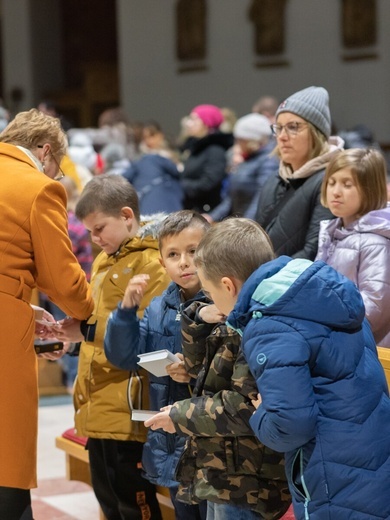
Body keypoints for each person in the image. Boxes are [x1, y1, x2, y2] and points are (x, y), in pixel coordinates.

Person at [188, 217, 390, 519]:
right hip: (372, 450)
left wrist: (261, 416)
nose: (212, 301)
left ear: (228, 286)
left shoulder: (268, 327)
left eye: (210, 291)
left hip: (330, 472)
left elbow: (290, 427)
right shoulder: (323, 292)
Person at [56, 174, 171, 520]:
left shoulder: (154, 262)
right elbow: (97, 319)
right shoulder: (107, 259)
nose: (94, 238)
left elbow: (147, 334)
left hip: (130, 401)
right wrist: (72, 341)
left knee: (134, 502)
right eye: (89, 230)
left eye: (99, 228)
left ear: (126, 215)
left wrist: (87, 330)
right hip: (97, 400)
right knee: (107, 497)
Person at [0, 108, 94, 520]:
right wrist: (92, 315)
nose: (57, 176)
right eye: (56, 165)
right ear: (44, 149)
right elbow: (63, 279)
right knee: (6, 454)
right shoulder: (39, 187)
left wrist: (21, 297)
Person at [104, 210, 210, 520]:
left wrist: (195, 370)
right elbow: (126, 357)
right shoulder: (157, 308)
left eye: (193, 251)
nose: (184, 262)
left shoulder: (223, 301)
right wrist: (125, 312)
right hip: (171, 439)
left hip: (211, 439)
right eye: (174, 254)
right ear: (162, 262)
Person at [145, 295, 291, 520]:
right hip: (218, 461)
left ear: (227, 286)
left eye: (210, 289)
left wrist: (179, 416)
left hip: (245, 473)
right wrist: (197, 317)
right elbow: (199, 372)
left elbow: (243, 406)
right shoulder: (223, 313)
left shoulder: (255, 324)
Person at [255, 86, 344, 259]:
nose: (282, 136)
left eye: (293, 127)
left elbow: (314, 252)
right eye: (278, 128)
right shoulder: (274, 179)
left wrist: (263, 277)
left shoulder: (330, 180)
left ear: (316, 133)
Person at [316, 148, 390, 347]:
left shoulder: (376, 242)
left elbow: (373, 307)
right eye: (331, 183)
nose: (336, 191)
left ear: (370, 189)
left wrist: (323, 322)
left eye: (347, 185)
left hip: (360, 348)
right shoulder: (332, 231)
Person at [208, 113, 278, 222]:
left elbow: (260, 200)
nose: (237, 144)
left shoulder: (269, 161)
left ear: (252, 140)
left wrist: (245, 226)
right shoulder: (247, 158)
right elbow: (232, 197)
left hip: (252, 228)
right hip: (241, 223)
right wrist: (211, 217)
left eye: (240, 140)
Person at [180, 104, 234, 213]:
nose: (189, 123)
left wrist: (180, 185)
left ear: (206, 123)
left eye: (194, 119)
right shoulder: (195, 146)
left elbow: (209, 183)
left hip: (205, 211)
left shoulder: (215, 150)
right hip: (192, 206)